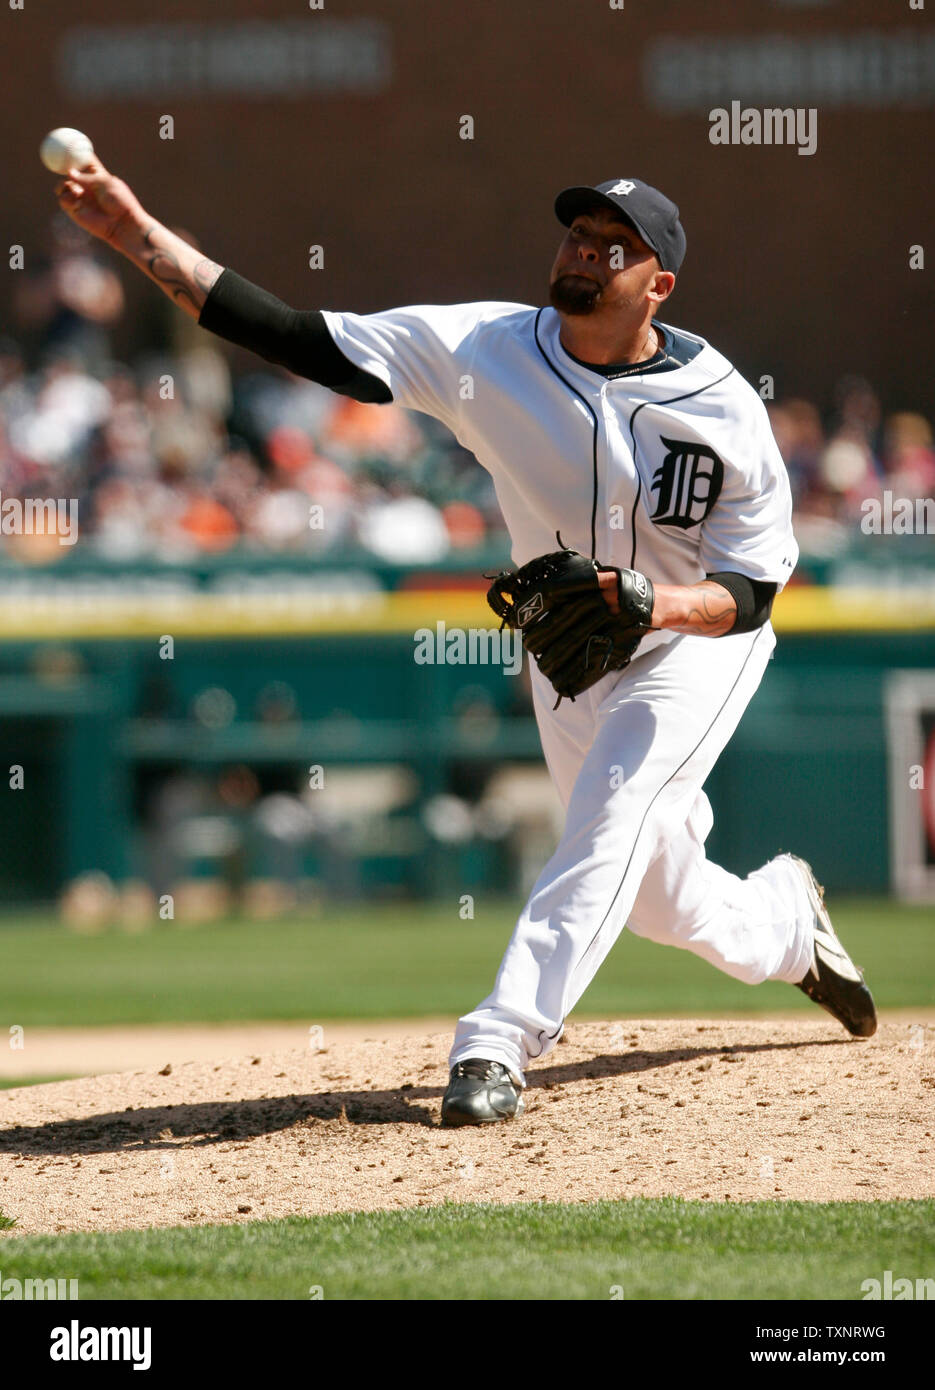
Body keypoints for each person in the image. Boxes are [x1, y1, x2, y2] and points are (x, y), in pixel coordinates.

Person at [54, 161, 877, 1127]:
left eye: (614, 246)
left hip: (694, 640)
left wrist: (649, 603)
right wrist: (138, 233)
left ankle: (498, 1036)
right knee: (654, 896)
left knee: (614, 808)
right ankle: (786, 928)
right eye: (576, 233)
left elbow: (751, 592)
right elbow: (294, 336)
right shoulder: (484, 347)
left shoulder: (722, 404)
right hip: (573, 649)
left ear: (658, 286)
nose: (583, 251)